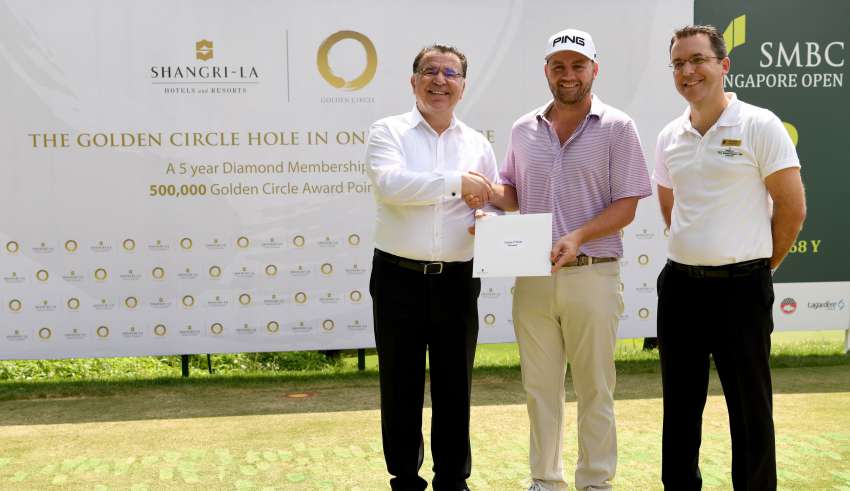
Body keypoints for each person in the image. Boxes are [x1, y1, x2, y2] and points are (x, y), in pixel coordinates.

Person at [471, 28, 652, 490]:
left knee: (595, 388)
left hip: (593, 272)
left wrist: (578, 236)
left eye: (577, 65)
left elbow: (627, 206)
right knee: (539, 388)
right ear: (547, 71)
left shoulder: (618, 127)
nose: (568, 74)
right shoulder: (523, 128)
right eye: (559, 66)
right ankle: (545, 481)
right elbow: (513, 193)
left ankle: (595, 481)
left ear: (594, 69)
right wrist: (487, 202)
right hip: (533, 277)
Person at [654, 25, 806, 490]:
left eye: (697, 60)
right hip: (680, 289)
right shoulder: (669, 135)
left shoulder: (760, 124)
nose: (687, 71)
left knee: (751, 410)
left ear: (724, 65)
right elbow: (671, 208)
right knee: (680, 410)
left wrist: (760, 267)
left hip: (742, 289)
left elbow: (792, 208)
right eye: (678, 63)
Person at [365, 44, 499, 490]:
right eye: (430, 71)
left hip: (457, 280)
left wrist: (486, 218)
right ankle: (405, 478)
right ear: (413, 81)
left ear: (463, 85)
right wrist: (457, 182)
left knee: (455, 385)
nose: (439, 80)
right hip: (397, 277)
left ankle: (452, 479)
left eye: (450, 73)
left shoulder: (477, 144)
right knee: (399, 384)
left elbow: (489, 202)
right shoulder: (388, 131)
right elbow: (391, 186)